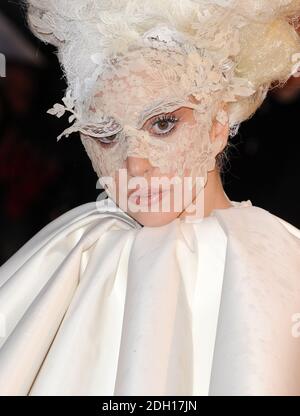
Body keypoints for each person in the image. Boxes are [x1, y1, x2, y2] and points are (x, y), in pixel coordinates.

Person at [0, 0, 300, 396]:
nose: (134, 163)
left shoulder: (277, 258)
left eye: (162, 123)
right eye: (106, 134)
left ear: (217, 123)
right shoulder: (71, 253)